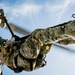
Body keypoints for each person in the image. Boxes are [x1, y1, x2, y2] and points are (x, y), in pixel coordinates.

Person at [0, 20, 75, 73]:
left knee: (48, 36)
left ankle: (71, 35)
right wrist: (11, 42)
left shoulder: (11, 43)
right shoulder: (3, 52)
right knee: (37, 36)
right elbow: (6, 51)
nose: (3, 42)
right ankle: (70, 28)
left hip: (34, 59)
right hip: (21, 60)